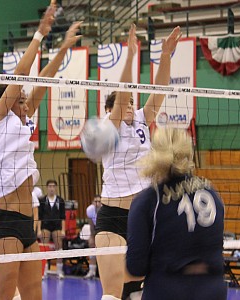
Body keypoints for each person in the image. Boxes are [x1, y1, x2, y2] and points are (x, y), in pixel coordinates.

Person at [0, 4, 82, 299]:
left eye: (24, 101)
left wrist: (61, 49)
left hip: (26, 225)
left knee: (34, 294)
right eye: (19, 99)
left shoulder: (25, 121)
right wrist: (39, 33)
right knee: (5, 296)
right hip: (6, 222)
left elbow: (43, 81)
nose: (24, 103)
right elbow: (21, 73)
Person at [95, 24, 182, 300]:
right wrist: (130, 56)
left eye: (134, 101)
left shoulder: (143, 119)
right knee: (111, 293)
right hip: (112, 216)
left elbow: (159, 90)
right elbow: (121, 99)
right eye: (126, 102)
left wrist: (166, 55)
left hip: (143, 216)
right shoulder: (110, 126)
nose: (131, 105)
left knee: (137, 291)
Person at [126, 127, 227, 300]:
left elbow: (136, 267)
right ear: (189, 152)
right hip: (213, 290)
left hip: (167, 289)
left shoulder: (148, 201)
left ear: (153, 154)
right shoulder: (211, 192)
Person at [38, 179, 66, 279]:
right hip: (45, 225)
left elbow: (63, 217)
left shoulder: (60, 200)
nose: (51, 188)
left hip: (56, 226)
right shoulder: (42, 200)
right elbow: (39, 217)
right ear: (47, 188)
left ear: (56, 188)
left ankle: (59, 270)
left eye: (53, 186)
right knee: (44, 245)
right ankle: (43, 271)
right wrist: (38, 230)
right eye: (50, 186)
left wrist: (63, 230)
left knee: (59, 243)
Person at [84, 194, 102, 280]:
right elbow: (91, 226)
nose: (97, 203)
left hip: (104, 231)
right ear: (92, 202)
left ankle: (103, 272)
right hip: (95, 230)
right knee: (91, 245)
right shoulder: (90, 210)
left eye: (99, 201)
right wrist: (92, 237)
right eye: (95, 201)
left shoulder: (104, 210)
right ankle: (92, 271)